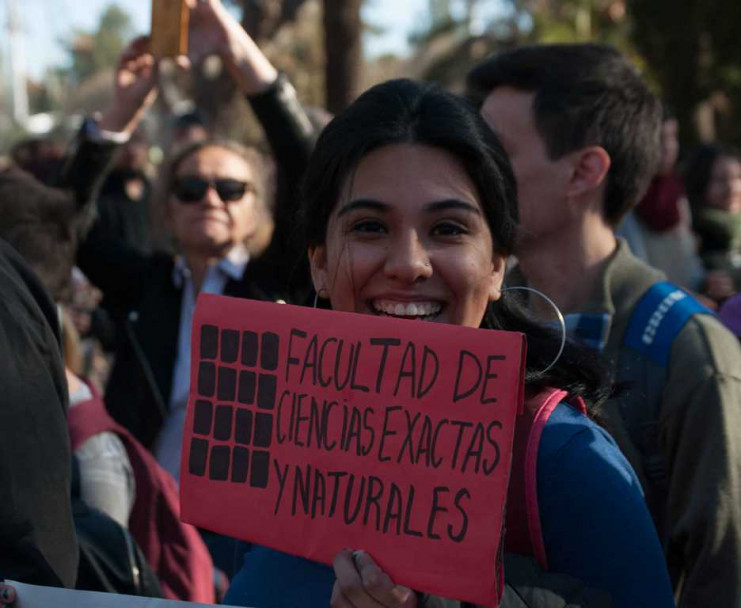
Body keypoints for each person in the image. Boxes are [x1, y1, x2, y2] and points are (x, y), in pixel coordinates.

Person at [224, 78, 674, 608]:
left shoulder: (561, 457)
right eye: (369, 226)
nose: (409, 264)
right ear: (319, 264)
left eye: (448, 229)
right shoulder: (271, 434)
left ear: (496, 268)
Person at [466, 43, 741, 607]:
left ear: (584, 170)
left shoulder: (688, 353)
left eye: (496, 154)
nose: (470, 174)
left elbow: (723, 577)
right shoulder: (467, 321)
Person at [684, 144, 741, 302]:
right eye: (721, 180)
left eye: (738, 177)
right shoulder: (690, 236)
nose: (732, 188)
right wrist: (704, 286)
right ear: (701, 183)